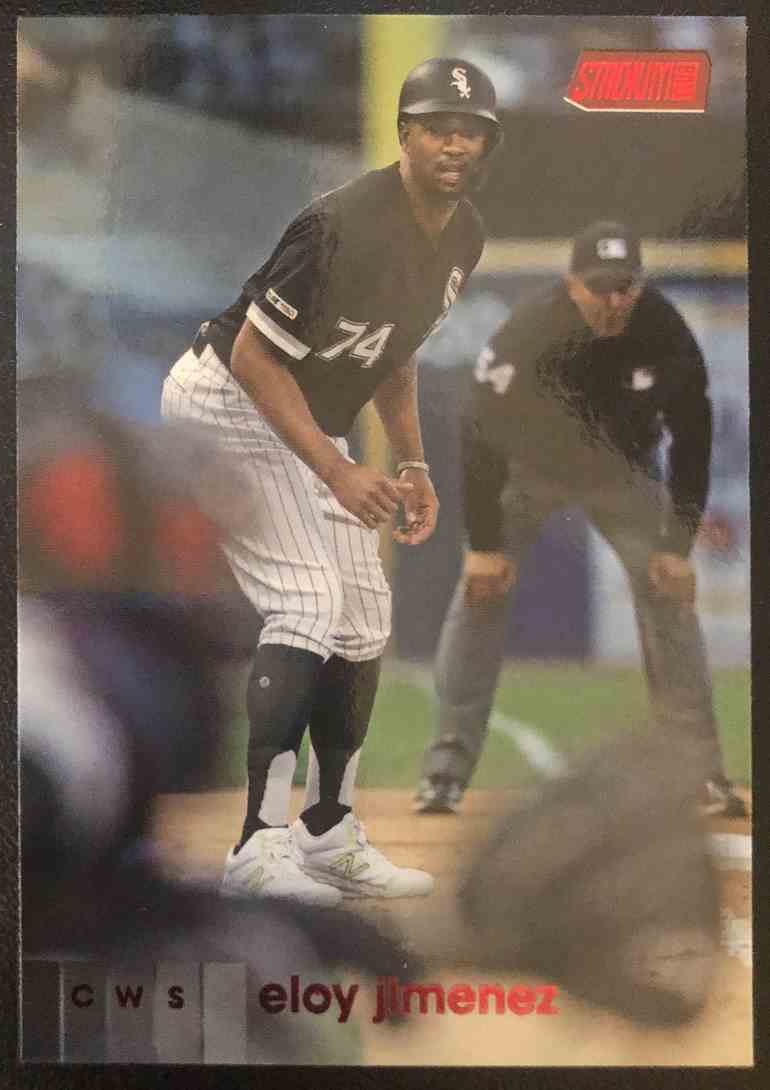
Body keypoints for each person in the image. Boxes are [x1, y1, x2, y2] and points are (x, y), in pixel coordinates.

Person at [161, 58, 502, 902]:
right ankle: (257, 846)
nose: (455, 143)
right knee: (308, 598)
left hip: (306, 420)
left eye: (471, 131)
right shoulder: (341, 224)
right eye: (439, 127)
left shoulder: (464, 235)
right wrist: (338, 467)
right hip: (227, 400)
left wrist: (412, 464)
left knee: (362, 618)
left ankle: (326, 831)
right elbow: (253, 356)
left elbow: (395, 352)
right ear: (405, 135)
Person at [414, 220, 746, 819]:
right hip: (530, 470)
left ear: (640, 285)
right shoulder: (533, 328)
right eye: (600, 287)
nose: (613, 300)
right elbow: (479, 429)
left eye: (625, 287)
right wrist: (484, 545)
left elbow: (693, 433)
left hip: (623, 474)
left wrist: (677, 545)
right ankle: (444, 773)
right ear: (572, 284)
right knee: (480, 591)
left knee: (669, 590)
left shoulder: (663, 330)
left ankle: (699, 774)